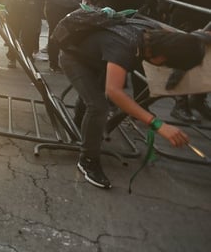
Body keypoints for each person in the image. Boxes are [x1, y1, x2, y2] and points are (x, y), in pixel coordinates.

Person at [60, 25, 205, 189]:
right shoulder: (125, 48)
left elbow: (179, 36)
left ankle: (81, 128)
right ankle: (87, 160)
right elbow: (114, 92)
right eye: (167, 63)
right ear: (162, 55)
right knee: (99, 106)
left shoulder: (151, 35)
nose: (163, 66)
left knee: (94, 95)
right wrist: (158, 124)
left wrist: (201, 37)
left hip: (94, 58)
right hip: (74, 59)